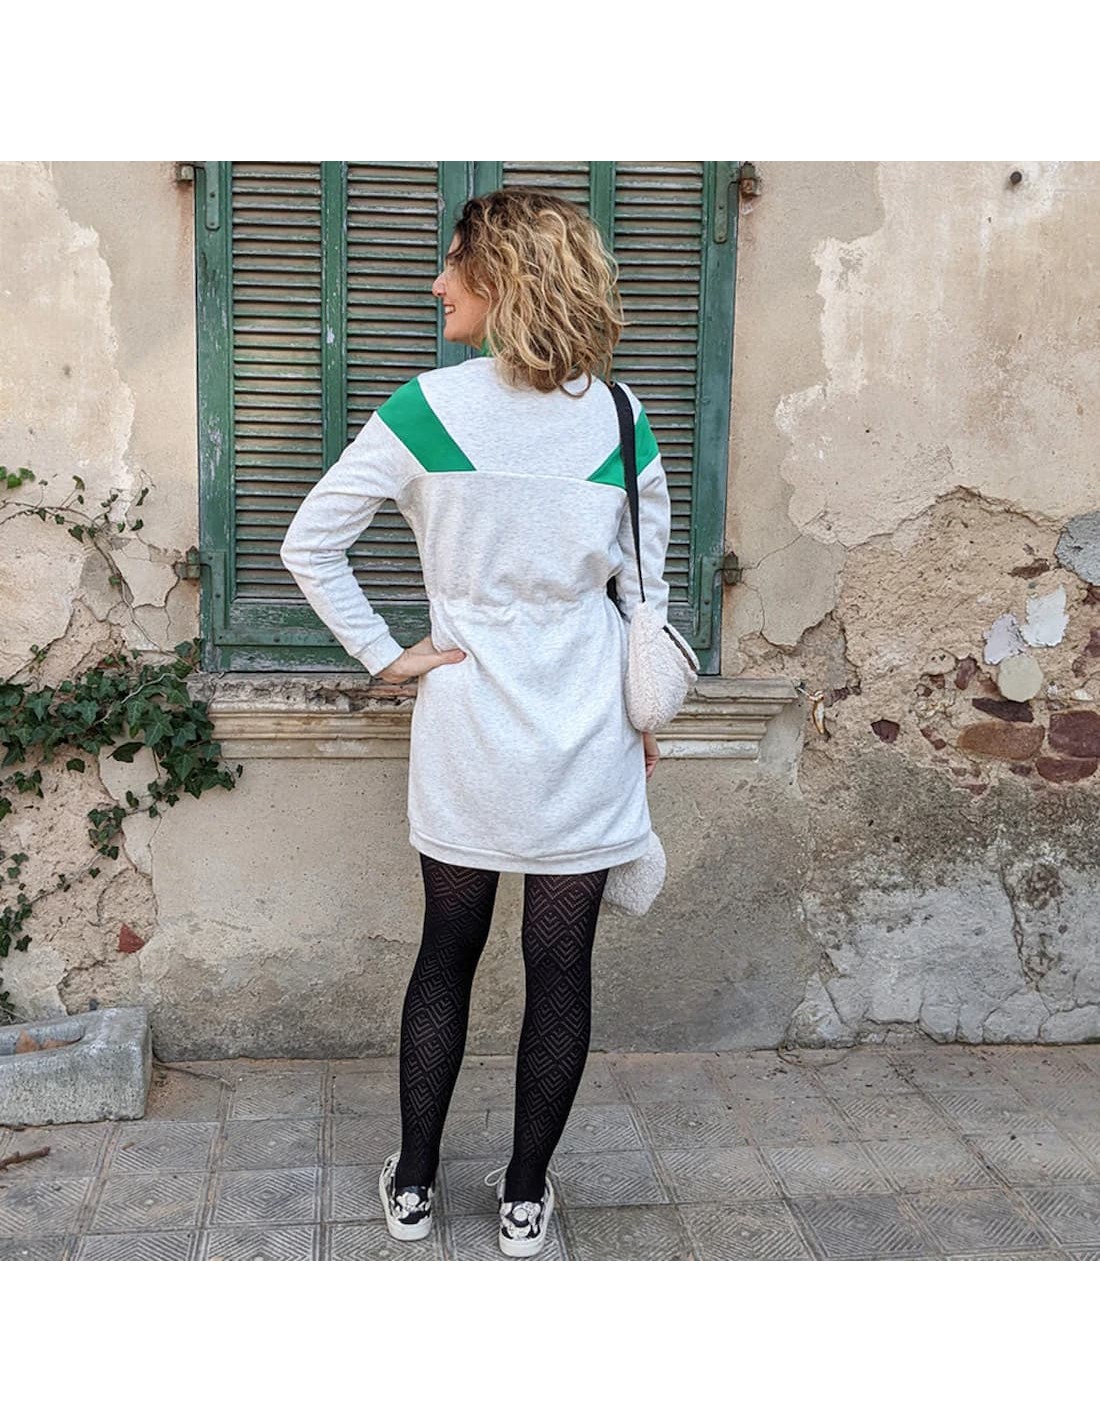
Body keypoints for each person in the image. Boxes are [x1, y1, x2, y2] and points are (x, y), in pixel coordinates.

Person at [279, 187, 672, 1258]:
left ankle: (413, 1186)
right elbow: (644, 593)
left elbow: (309, 544)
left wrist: (388, 656)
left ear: (501, 277)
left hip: (465, 717)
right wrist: (643, 716)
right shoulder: (621, 417)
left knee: (445, 953)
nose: (436, 283)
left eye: (453, 263)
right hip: (586, 721)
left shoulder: (422, 409)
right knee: (561, 967)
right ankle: (523, 1201)